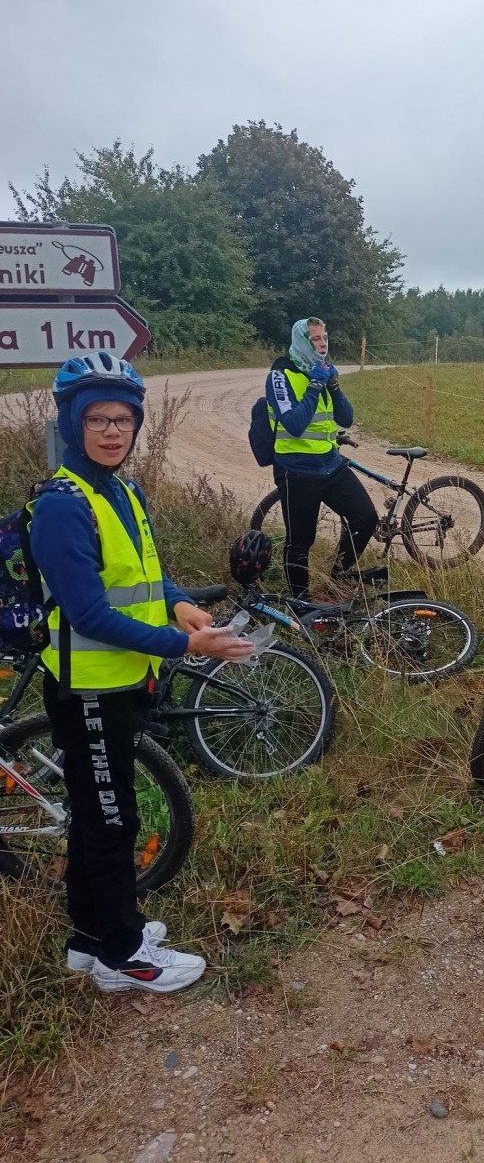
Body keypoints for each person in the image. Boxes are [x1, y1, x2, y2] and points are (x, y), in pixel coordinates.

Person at [29, 352, 254, 993]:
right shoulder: (63, 506)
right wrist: (186, 646)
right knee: (111, 820)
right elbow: (90, 613)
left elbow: (146, 576)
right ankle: (124, 957)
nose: (112, 431)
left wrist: (180, 606)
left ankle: (88, 939)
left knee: (95, 814)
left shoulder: (123, 492)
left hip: (122, 681)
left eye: (124, 419)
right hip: (88, 689)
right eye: (97, 418)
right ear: (72, 424)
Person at [266, 317, 381, 599]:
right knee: (300, 542)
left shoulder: (321, 371)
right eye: (316, 339)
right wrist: (315, 385)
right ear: (302, 341)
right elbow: (294, 424)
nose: (323, 344)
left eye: (325, 338)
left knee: (365, 518)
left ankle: (336, 581)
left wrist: (334, 386)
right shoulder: (280, 375)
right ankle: (301, 605)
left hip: (330, 465)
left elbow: (347, 419)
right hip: (297, 470)